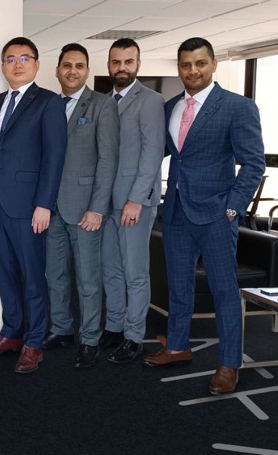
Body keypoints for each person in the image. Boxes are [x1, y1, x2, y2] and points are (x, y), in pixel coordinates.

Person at [143, 37, 264, 395]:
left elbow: (254, 163)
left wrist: (233, 206)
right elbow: (164, 153)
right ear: (179, 68)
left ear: (213, 64)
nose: (192, 71)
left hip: (216, 214)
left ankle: (229, 363)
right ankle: (177, 345)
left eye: (199, 63)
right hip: (176, 210)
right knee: (179, 286)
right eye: (185, 65)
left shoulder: (237, 107)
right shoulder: (171, 107)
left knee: (224, 291)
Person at [0, 37, 67, 374]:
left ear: (36, 64)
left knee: (32, 276)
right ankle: (12, 332)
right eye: (10, 59)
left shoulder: (48, 102)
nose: (17, 64)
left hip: (30, 207)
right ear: (3, 66)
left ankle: (34, 342)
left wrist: (44, 204)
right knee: (4, 273)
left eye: (24, 58)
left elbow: (54, 157)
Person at [43, 43, 119, 369]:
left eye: (79, 65)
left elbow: (108, 160)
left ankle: (89, 340)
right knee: (54, 274)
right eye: (67, 65)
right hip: (51, 207)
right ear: (57, 70)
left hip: (86, 209)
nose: (72, 71)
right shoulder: (49, 104)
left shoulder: (102, 104)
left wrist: (98, 208)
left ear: (87, 70)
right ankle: (61, 328)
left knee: (88, 279)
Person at [100, 38, 165, 364]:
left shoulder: (151, 101)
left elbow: (153, 154)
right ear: (109, 65)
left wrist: (137, 200)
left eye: (128, 62)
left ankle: (134, 336)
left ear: (138, 64)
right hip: (106, 202)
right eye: (116, 62)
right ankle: (114, 327)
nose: (122, 68)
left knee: (135, 273)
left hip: (133, 203)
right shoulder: (103, 101)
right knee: (110, 269)